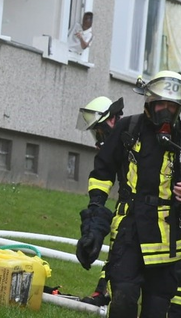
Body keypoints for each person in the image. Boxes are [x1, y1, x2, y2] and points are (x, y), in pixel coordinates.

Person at [76, 70, 181, 318]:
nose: (166, 111)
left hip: (167, 239)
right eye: (161, 104)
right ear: (150, 103)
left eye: (172, 106)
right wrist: (94, 219)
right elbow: (102, 172)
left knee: (157, 310)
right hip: (129, 232)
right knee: (123, 300)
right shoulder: (129, 128)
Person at [75, 95, 125, 308]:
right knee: (120, 241)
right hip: (130, 206)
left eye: (100, 132)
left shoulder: (135, 141)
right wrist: (92, 225)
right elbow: (101, 178)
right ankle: (103, 291)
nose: (98, 140)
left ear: (112, 121)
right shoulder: (118, 148)